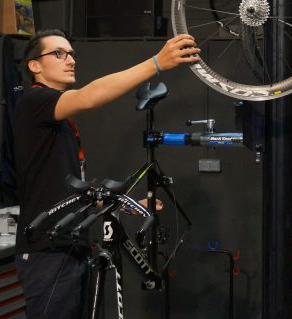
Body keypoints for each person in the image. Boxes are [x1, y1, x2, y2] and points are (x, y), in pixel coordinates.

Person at [13, 29, 199, 319]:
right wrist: (157, 62)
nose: (70, 59)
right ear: (34, 65)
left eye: (72, 53)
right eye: (58, 53)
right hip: (46, 252)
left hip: (70, 248)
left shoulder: (58, 121)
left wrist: (128, 205)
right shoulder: (33, 102)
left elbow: (73, 194)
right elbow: (90, 97)